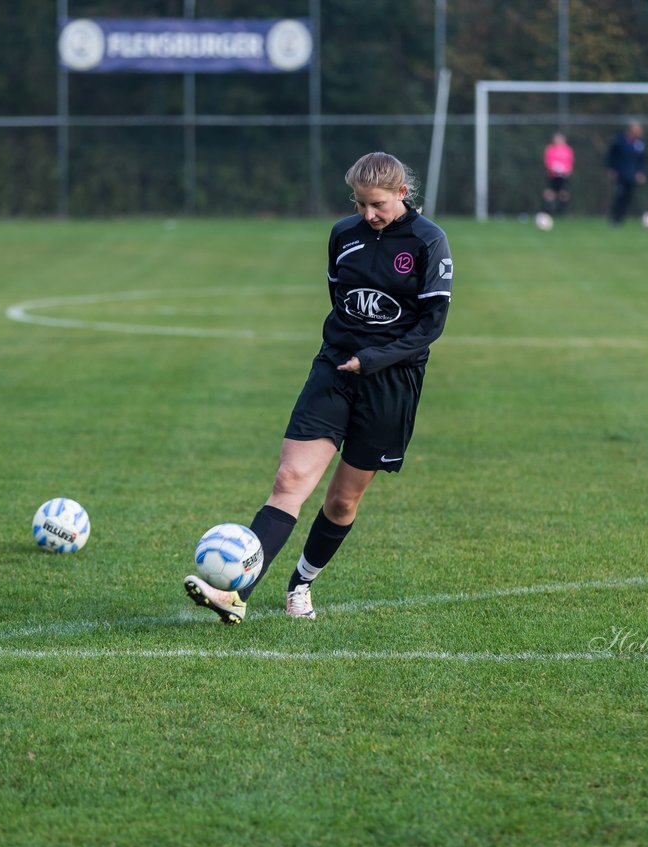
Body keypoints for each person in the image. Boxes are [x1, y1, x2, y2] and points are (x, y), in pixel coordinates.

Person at [184, 152, 454, 624]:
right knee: (289, 481)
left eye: (377, 205)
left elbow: (431, 327)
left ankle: (301, 584)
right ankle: (235, 593)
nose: (368, 214)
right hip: (333, 371)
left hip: (391, 383)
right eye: (360, 204)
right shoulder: (343, 235)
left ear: (401, 195)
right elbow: (340, 300)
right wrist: (347, 355)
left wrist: (371, 359)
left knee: (342, 500)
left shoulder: (429, 241)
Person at [606, 120, 646, 225]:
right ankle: (614, 218)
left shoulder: (639, 144)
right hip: (621, 174)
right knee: (620, 195)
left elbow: (642, 160)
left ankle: (620, 219)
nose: (639, 131)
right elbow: (611, 155)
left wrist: (641, 172)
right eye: (637, 129)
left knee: (628, 198)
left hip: (632, 175)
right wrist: (611, 168)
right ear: (631, 130)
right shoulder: (619, 141)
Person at [542, 132, 575, 217]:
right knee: (550, 192)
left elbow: (570, 161)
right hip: (552, 174)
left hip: (563, 174)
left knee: (564, 192)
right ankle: (548, 211)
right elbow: (547, 160)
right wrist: (551, 168)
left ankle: (562, 212)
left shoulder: (567, 149)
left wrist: (566, 170)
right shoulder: (550, 149)